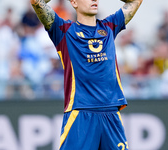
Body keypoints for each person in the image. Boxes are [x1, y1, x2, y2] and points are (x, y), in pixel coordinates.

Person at [30, 0, 143, 149]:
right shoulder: (63, 31)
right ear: (74, 2)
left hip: (111, 112)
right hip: (81, 112)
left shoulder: (109, 27)